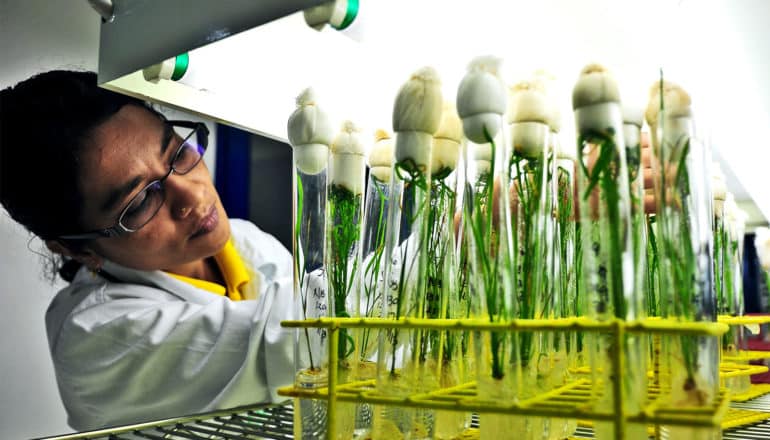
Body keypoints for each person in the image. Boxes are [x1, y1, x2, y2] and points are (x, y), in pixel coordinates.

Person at [0, 70, 294, 430]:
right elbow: (287, 345)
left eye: (177, 153)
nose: (192, 194)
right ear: (77, 250)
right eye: (139, 201)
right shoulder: (93, 336)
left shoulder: (245, 241)